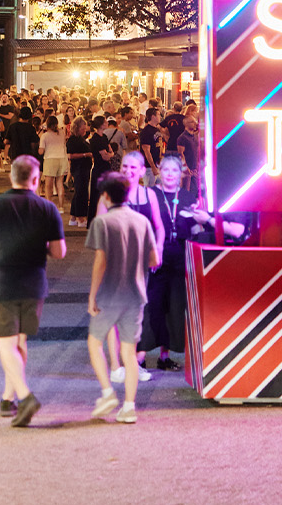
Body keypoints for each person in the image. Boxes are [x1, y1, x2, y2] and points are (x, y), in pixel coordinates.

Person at [0, 155, 65, 427]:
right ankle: (8, 398)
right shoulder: (47, 208)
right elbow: (59, 251)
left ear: (11, 176)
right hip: (34, 284)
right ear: (36, 179)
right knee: (19, 342)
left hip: (3, 282)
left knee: (5, 342)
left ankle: (25, 395)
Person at [86, 173, 159, 424]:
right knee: (129, 352)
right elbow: (154, 260)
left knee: (95, 342)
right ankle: (129, 407)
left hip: (109, 294)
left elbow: (100, 261)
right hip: (136, 294)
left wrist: (92, 295)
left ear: (105, 196)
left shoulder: (102, 222)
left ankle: (107, 393)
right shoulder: (142, 221)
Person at [142, 154, 198, 370]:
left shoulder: (187, 197)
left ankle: (164, 356)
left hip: (179, 258)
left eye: (174, 171)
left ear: (181, 173)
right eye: (166, 170)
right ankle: (140, 356)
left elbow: (194, 229)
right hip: (155, 257)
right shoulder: (151, 195)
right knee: (151, 306)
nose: (170, 174)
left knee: (173, 308)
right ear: (160, 171)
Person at [65, 116, 92, 228]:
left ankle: (73, 217)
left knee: (79, 193)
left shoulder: (81, 139)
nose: (84, 130)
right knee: (81, 193)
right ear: (77, 128)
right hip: (79, 168)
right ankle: (80, 218)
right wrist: (86, 155)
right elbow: (70, 155)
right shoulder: (72, 140)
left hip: (84, 168)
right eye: (82, 129)